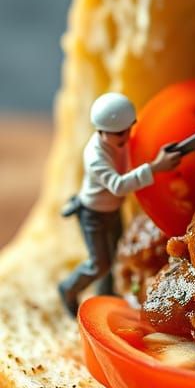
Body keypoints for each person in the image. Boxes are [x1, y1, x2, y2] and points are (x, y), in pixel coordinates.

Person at [58, 93, 180, 316]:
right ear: (102, 131)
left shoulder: (119, 141)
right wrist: (155, 167)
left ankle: (106, 298)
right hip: (93, 215)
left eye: (128, 130)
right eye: (120, 133)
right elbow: (117, 185)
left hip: (113, 211)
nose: (126, 137)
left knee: (115, 256)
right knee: (99, 264)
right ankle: (68, 288)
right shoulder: (95, 156)